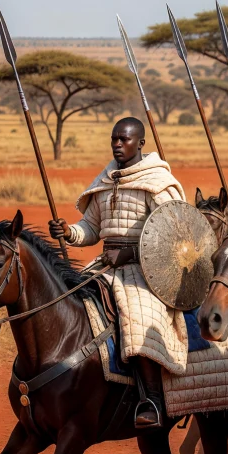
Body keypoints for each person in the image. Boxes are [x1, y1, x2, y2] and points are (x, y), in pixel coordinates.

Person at [48, 118, 187, 428]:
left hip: (146, 271)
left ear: (140, 143)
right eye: (114, 139)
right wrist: (69, 232)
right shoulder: (106, 179)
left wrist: (130, 254)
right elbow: (91, 228)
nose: (117, 144)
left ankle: (152, 400)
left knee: (139, 318)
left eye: (124, 139)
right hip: (106, 267)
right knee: (67, 298)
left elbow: (176, 235)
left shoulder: (158, 183)